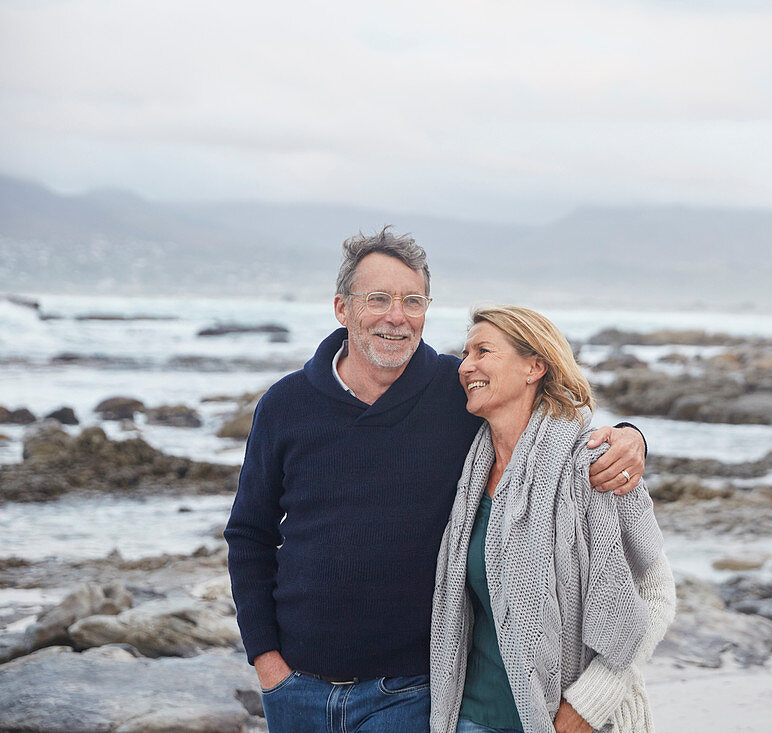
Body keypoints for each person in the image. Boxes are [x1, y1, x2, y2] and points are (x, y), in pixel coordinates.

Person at [224, 228, 649, 733]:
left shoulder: (459, 391)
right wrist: (267, 664)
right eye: (377, 299)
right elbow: (250, 533)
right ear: (342, 308)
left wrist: (630, 436)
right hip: (295, 690)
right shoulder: (286, 404)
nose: (396, 316)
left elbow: (545, 418)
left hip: (409, 692)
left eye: (412, 300)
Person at [431, 306, 675, 733]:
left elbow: (655, 595)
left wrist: (587, 705)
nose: (466, 366)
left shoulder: (595, 466)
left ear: (534, 366)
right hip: (469, 717)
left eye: (483, 351)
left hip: (566, 721)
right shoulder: (467, 469)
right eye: (465, 353)